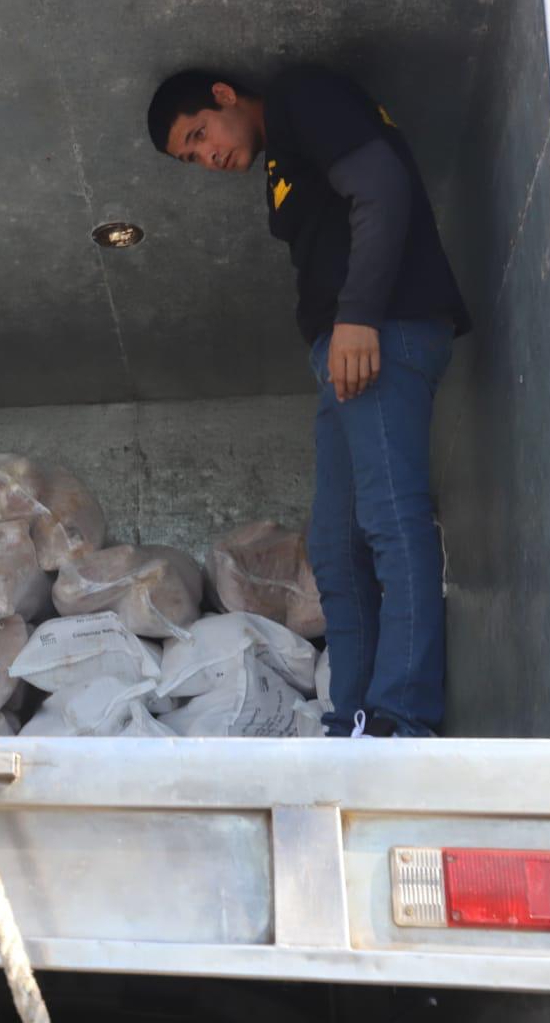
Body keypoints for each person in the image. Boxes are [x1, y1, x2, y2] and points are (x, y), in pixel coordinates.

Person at [147, 67, 468, 737]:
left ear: (226, 95)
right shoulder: (282, 159)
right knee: (334, 544)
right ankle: (350, 715)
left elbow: (382, 187)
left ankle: (403, 717)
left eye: (200, 133)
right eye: (191, 156)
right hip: (345, 350)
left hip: (384, 329)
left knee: (389, 519)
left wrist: (358, 316)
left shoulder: (304, 96)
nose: (207, 156)